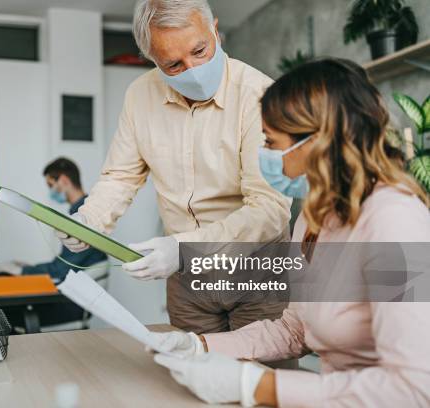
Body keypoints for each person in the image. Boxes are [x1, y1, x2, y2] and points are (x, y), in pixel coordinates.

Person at [150, 59, 430, 407]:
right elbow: (296, 329)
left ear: (319, 142)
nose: (263, 155)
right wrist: (201, 346)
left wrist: (260, 387)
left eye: (270, 142)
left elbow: (415, 389)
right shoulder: (315, 218)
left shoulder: (395, 221)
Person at [57, 0, 291, 335]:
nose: (193, 69)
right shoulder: (140, 96)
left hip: (257, 268)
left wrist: (184, 249)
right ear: (153, 60)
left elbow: (269, 209)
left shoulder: (261, 96)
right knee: (190, 376)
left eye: (200, 50)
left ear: (216, 31)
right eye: (174, 65)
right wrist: (87, 220)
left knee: (258, 380)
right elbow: (121, 177)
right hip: (187, 284)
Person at [22, 157, 108, 281]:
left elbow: (61, 269)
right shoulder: (83, 210)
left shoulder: (84, 216)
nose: (50, 191)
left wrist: (24, 270)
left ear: (64, 180)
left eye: (51, 185)